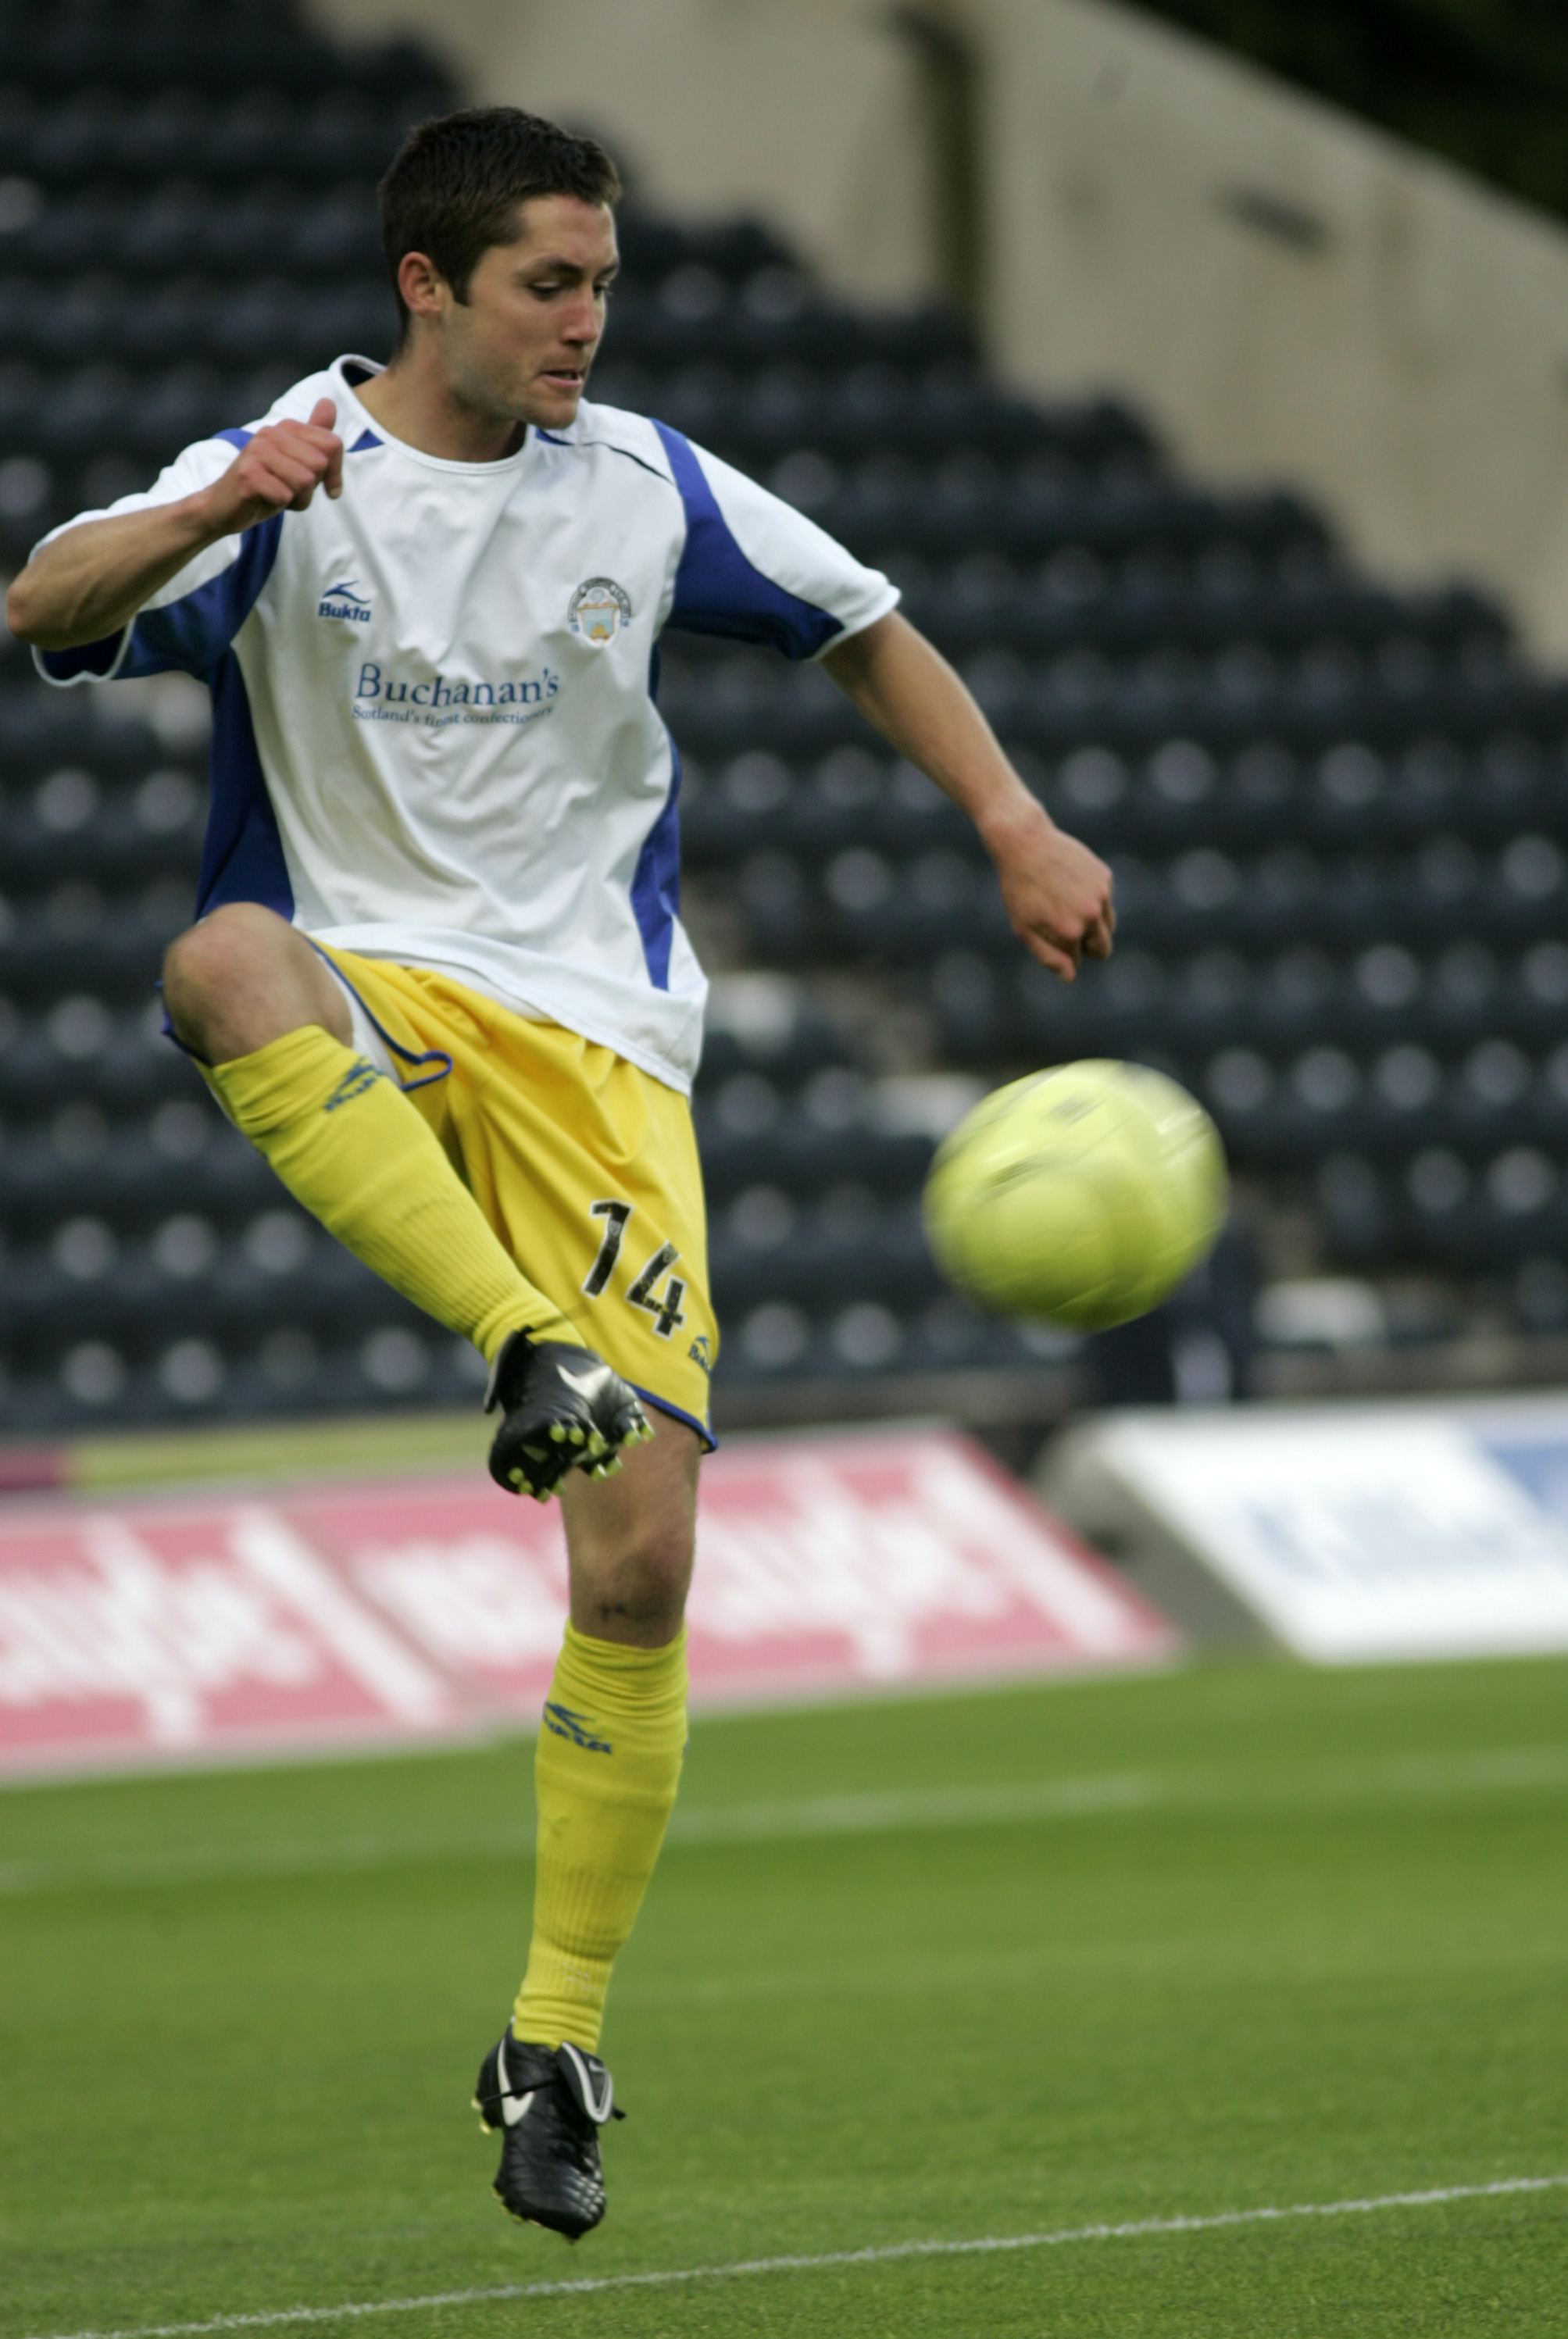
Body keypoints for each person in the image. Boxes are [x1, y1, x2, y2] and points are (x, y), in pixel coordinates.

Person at [5, 105, 1114, 2242]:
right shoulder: (291, 467)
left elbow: (863, 621)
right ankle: (525, 1340)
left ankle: (557, 2036)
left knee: (638, 1569)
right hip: (374, 984)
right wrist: (225, 502)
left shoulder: (647, 483)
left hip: (602, 1041)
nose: (583, 321)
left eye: (600, 281)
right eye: (547, 282)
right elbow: (39, 598)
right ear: (426, 282)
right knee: (219, 957)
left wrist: (1011, 818)